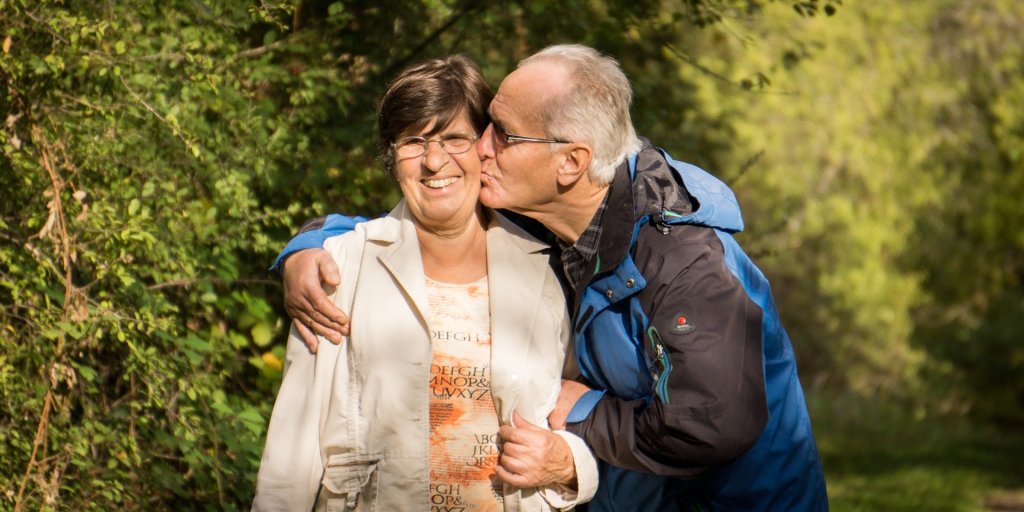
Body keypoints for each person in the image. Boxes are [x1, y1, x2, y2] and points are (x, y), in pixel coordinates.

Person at [277, 45, 829, 511]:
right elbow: (421, 217)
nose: (481, 147)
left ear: (571, 162)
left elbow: (710, 424)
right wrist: (310, 243)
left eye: (504, 134)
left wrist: (584, 414)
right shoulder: (550, 211)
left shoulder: (683, 262)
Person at [252, 55, 598, 511]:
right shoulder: (340, 267)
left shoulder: (550, 268)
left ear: (486, 146)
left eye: (455, 138)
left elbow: (584, 410)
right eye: (413, 142)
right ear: (392, 156)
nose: (434, 161)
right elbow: (290, 457)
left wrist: (571, 463)